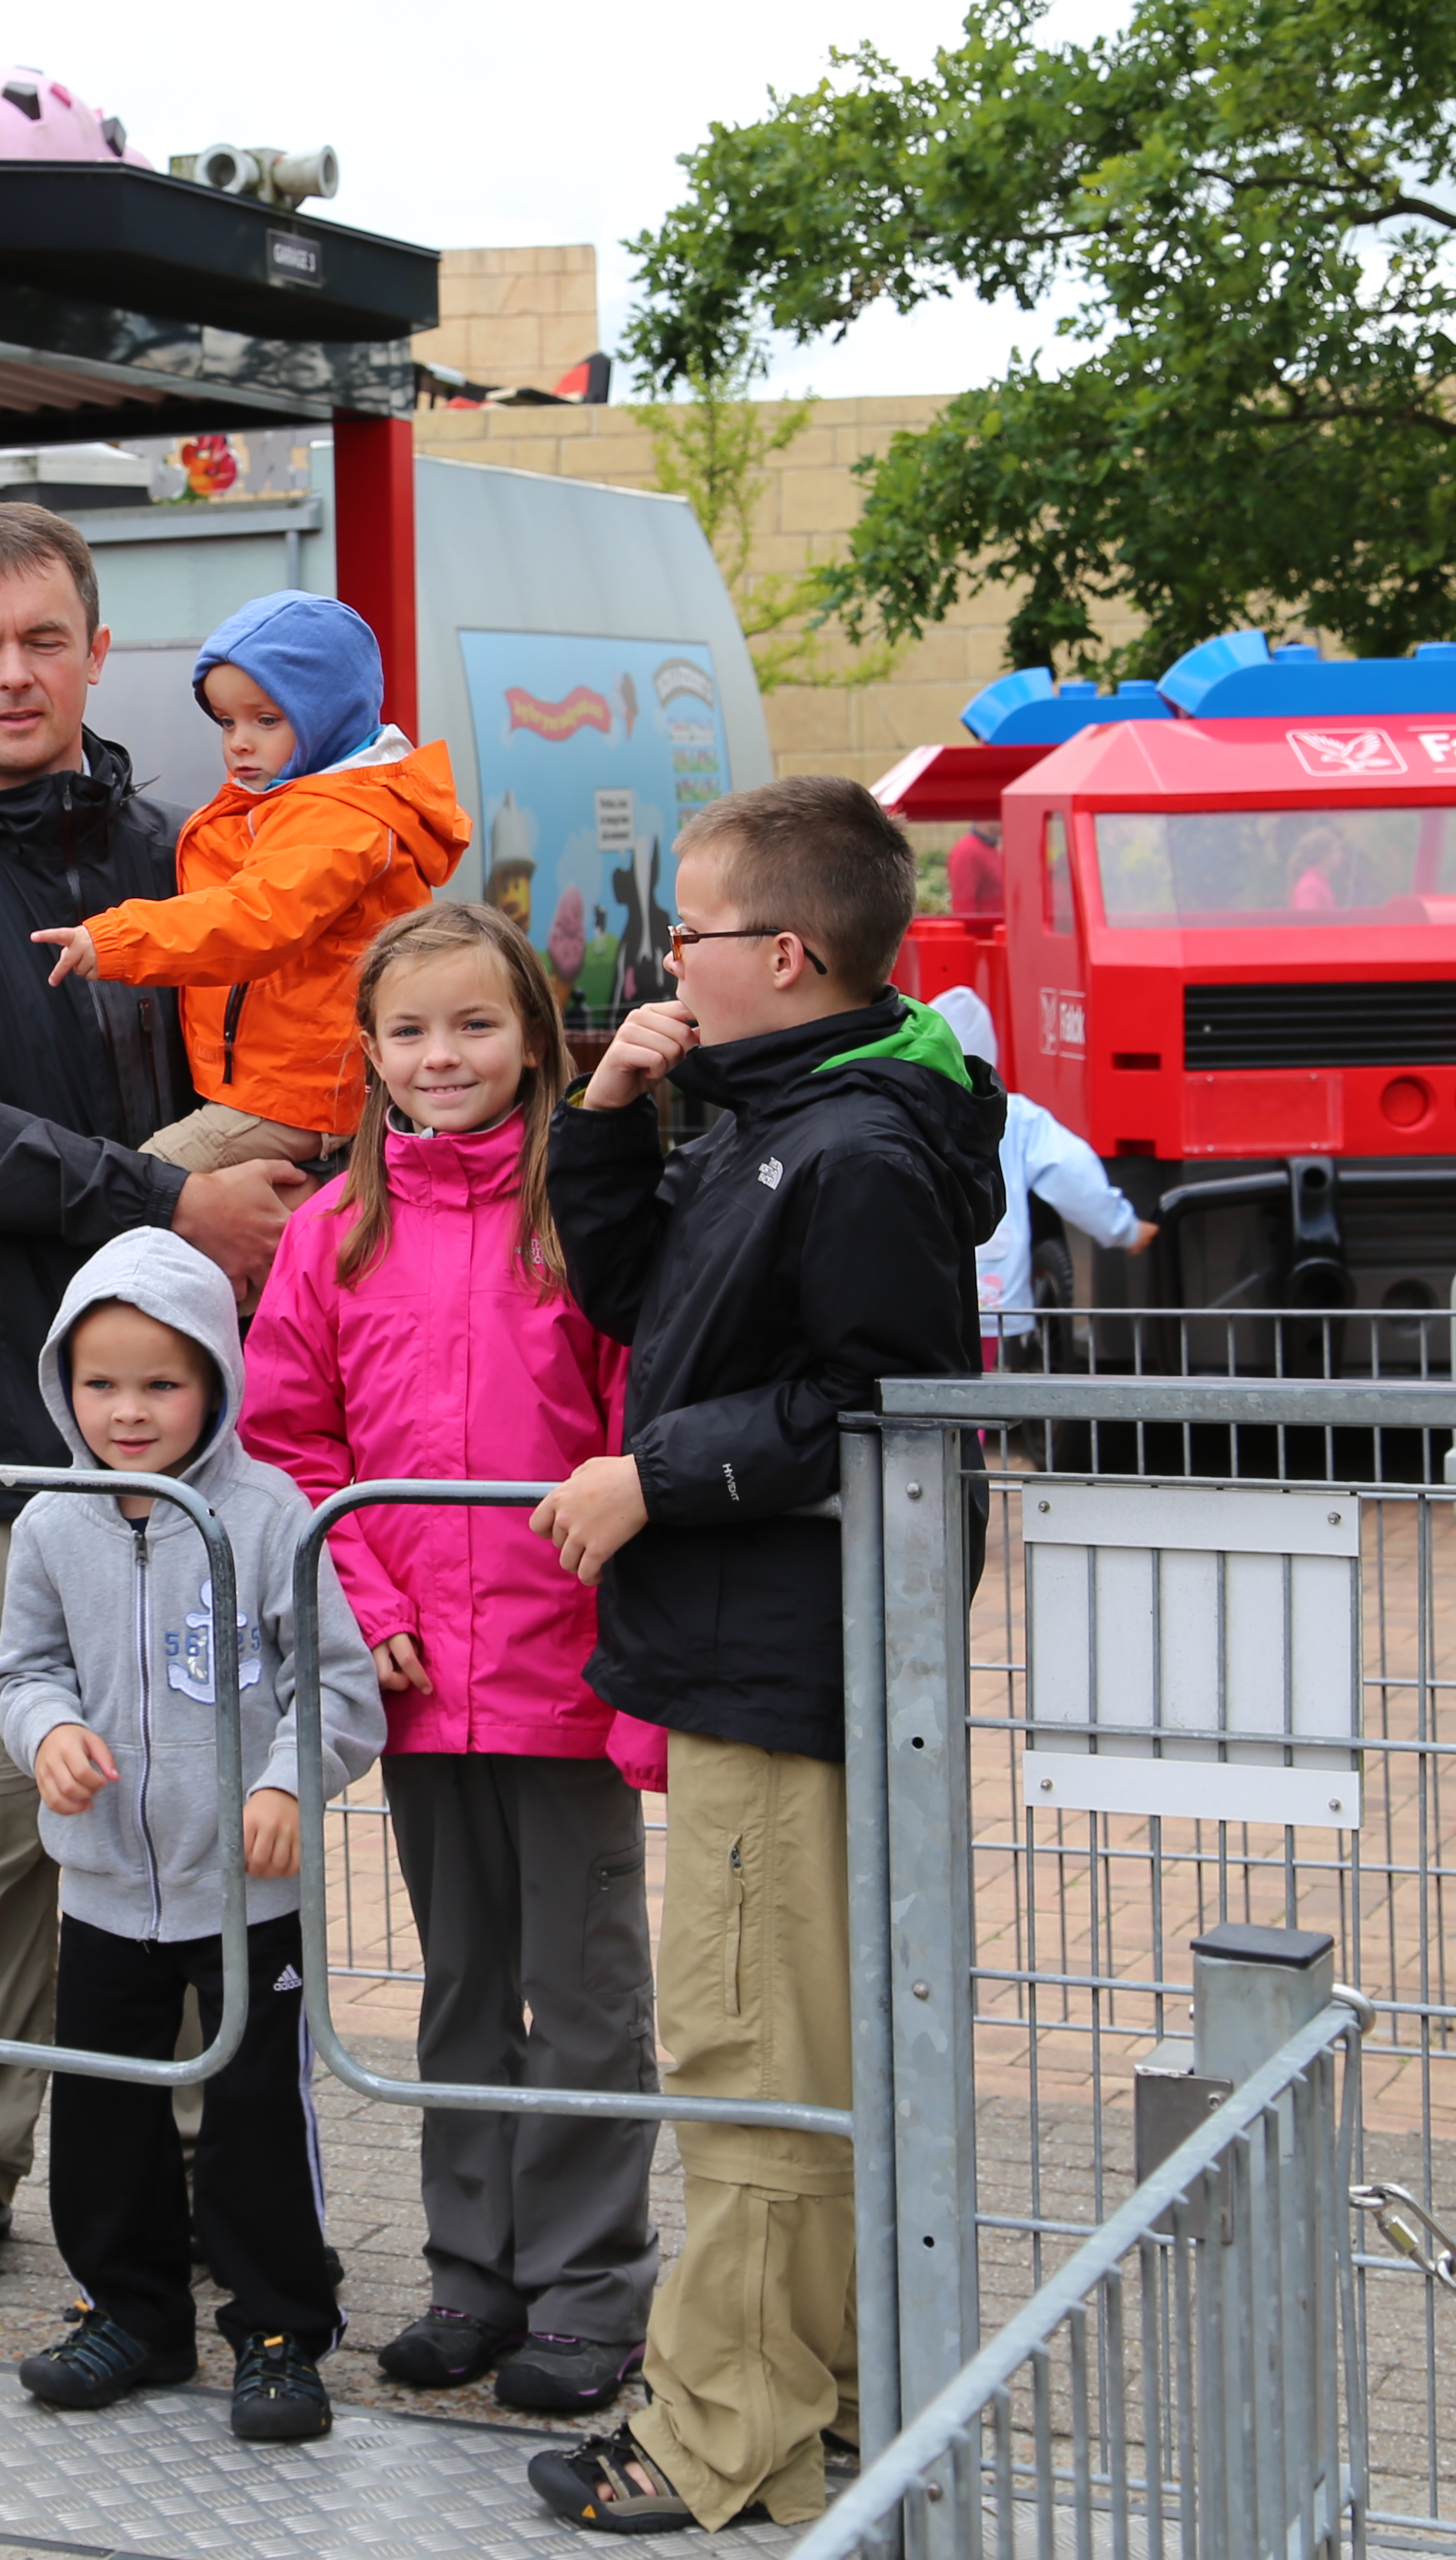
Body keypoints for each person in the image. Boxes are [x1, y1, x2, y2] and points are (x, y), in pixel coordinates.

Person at [0, 501, 313, 2294]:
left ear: (97, 652)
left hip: (198, 1458)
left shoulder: (181, 861)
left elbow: (274, 1072)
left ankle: (197, 2140)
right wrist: (169, 1197)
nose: (10, 675)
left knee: (192, 1795)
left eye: (40, 640)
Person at [526, 776, 999, 2535]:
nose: (664, 960)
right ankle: (817, 2379)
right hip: (757, 1651)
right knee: (789, 2040)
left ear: (781, 953)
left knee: (745, 2055)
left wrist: (654, 1474)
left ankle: (717, 2430)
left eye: (687, 932)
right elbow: (635, 1298)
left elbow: (877, 1408)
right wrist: (608, 1109)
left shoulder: (853, 1145)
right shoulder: (769, 1111)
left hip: (778, 1659)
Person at [243, 902, 663, 2419]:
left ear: (537, 1044)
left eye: (475, 1026)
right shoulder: (331, 1232)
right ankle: (469, 2275)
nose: (443, 1057)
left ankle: (589, 2290)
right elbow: (293, 1437)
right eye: (411, 1031)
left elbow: (629, 1424)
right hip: (420, 1683)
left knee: (587, 1993)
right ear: (369, 1053)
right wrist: (363, 1595)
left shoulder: (590, 1215)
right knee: (464, 1985)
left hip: (566, 1676)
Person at [0, 1227, 382, 2444]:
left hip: (244, 1893)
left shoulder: (271, 1516)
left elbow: (339, 1689)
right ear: (64, 1385)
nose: (130, 1411)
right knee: (104, 2110)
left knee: (258, 2112)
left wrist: (284, 1781)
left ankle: (278, 2330)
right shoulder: (50, 1521)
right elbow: (20, 1671)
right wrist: (45, 1732)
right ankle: (129, 2313)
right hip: (104, 1886)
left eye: (162, 1381)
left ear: (217, 1376)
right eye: (101, 1383)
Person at [32, 589, 471, 1174]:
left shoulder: (341, 819)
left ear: (327, 717)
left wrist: (116, 941)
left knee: (143, 1182)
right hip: (281, 1086)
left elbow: (254, 918)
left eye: (266, 720)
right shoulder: (306, 803)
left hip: (300, 1096)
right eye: (226, 720)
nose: (239, 740)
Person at [926, 985, 1153, 1356]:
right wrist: (1123, 1228)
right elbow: (1070, 1171)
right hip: (996, 1304)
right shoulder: (1016, 1117)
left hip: (918, 1302)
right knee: (986, 1400)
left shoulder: (902, 1109)